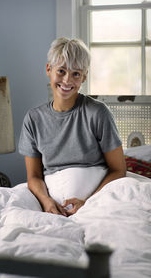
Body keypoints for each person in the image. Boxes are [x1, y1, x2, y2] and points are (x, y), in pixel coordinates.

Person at [18, 37, 126, 217]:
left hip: (97, 201)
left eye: (76, 73)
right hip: (51, 207)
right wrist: (47, 202)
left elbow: (118, 170)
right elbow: (34, 176)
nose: (67, 80)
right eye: (61, 71)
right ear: (48, 70)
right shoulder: (33, 119)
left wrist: (89, 202)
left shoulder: (98, 113)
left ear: (84, 76)